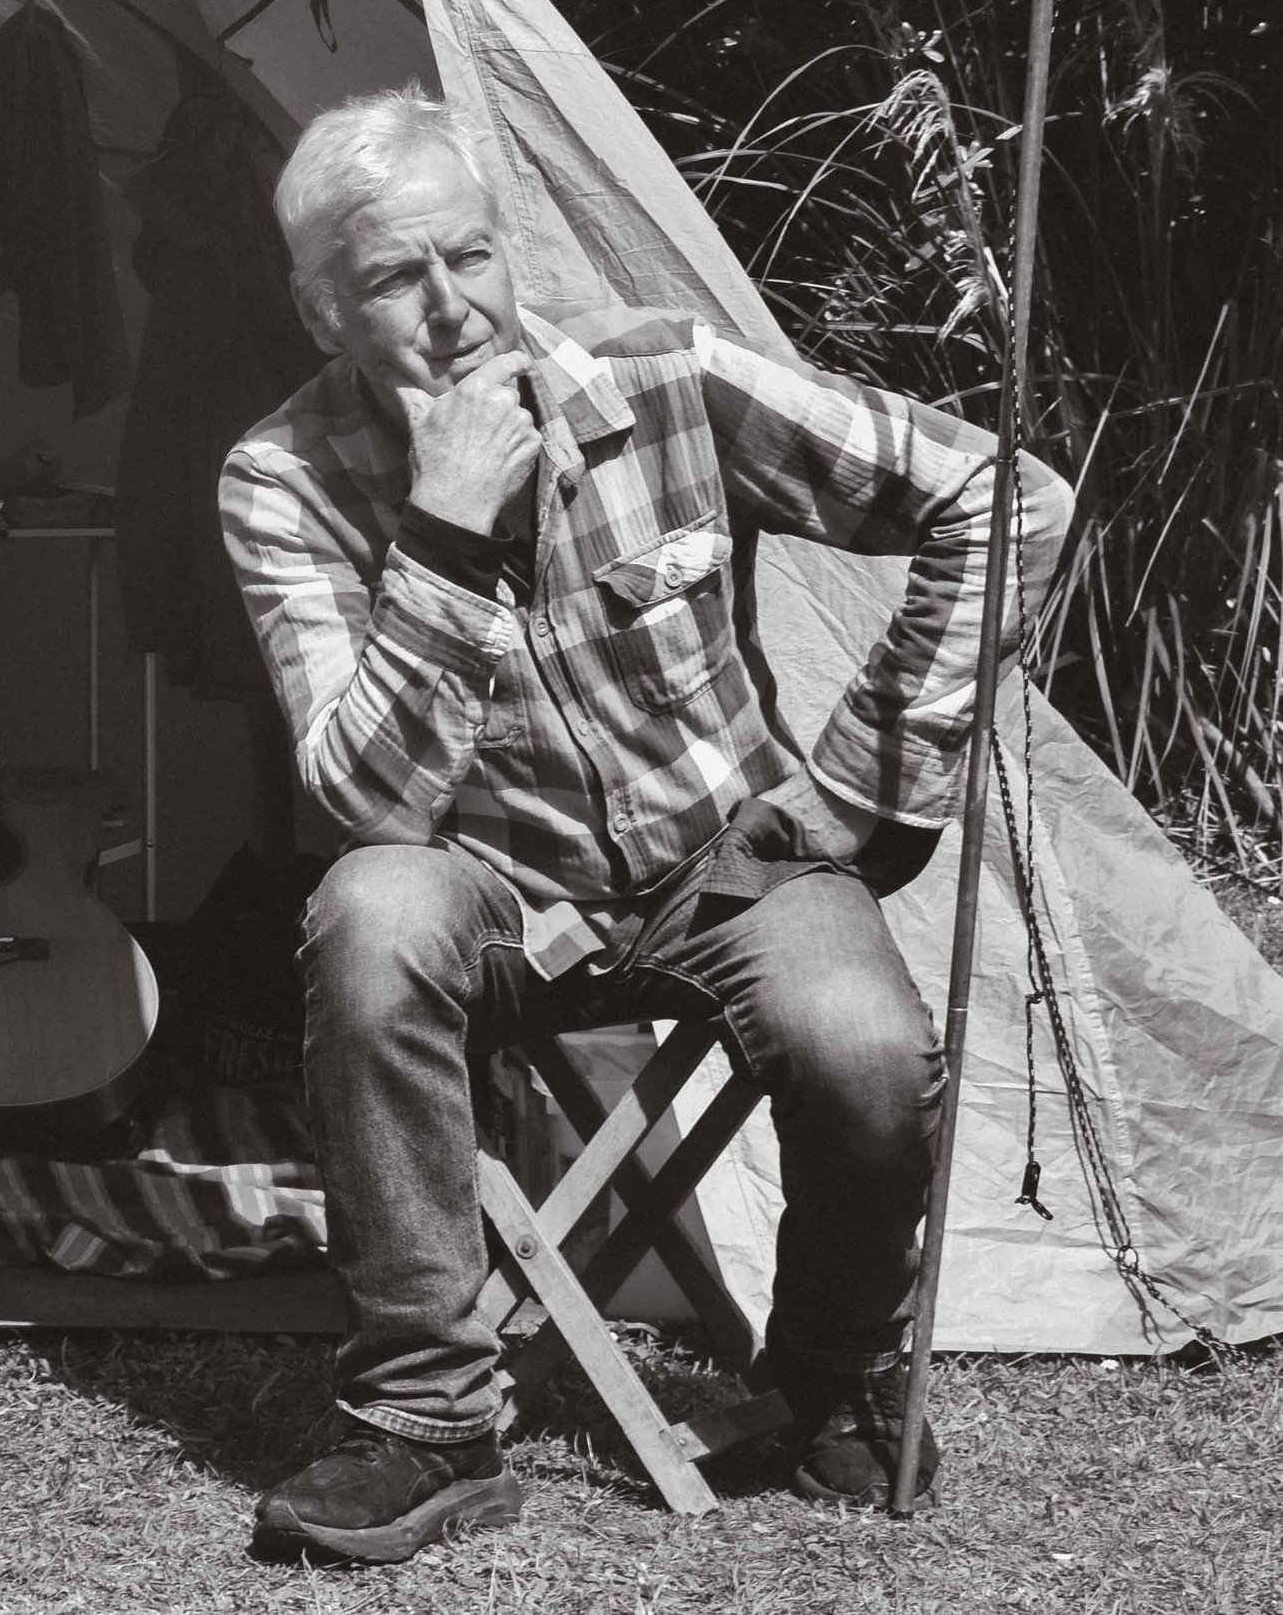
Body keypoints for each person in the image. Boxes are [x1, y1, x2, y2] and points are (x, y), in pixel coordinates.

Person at [219, 86, 1070, 1564]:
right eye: (393, 281)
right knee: (369, 911)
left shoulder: (663, 369)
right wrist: (441, 529)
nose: (451, 310)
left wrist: (866, 782)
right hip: (484, 886)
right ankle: (426, 1418)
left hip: (728, 865)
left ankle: (827, 1382)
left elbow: (1006, 497)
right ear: (318, 310)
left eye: (470, 258)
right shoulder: (277, 480)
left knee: (865, 1045)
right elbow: (366, 802)